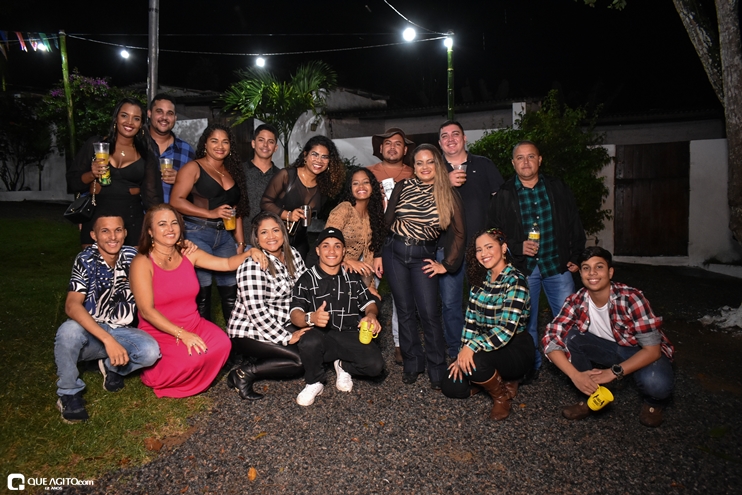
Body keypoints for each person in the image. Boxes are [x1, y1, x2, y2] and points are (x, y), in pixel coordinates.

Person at [130, 204, 266, 398]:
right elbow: (146, 311)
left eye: (174, 223)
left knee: (223, 344)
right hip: (161, 330)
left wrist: (249, 253)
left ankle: (195, 374)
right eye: (162, 224)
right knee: (194, 358)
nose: (170, 228)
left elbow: (226, 263)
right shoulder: (142, 262)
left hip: (193, 323)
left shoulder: (188, 252)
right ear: (150, 231)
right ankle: (158, 375)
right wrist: (182, 335)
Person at [486, 140, 586, 383]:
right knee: (524, 324)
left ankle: (572, 369)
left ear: (539, 160)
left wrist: (576, 256)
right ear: (513, 163)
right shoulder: (504, 194)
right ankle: (530, 367)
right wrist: (517, 246)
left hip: (557, 265)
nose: (526, 162)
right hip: (524, 269)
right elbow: (493, 233)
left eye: (531, 156)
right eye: (520, 158)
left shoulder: (557, 187)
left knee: (568, 321)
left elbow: (574, 221)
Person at [543, 246, 675, 427]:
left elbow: (652, 350)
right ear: (580, 273)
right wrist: (575, 376)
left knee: (657, 383)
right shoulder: (576, 301)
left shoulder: (631, 298)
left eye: (599, 267)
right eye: (586, 268)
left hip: (638, 351)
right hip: (607, 349)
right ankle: (592, 395)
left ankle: (653, 403)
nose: (592, 273)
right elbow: (551, 338)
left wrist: (612, 373)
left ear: (610, 272)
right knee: (569, 337)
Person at [374, 144, 465, 390]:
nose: (425, 167)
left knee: (429, 313)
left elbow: (459, 232)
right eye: (419, 162)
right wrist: (378, 253)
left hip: (423, 256)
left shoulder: (448, 194)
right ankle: (412, 363)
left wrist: (447, 265)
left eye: (430, 161)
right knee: (404, 310)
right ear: (413, 167)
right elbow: (386, 222)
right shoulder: (403, 186)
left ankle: (437, 368)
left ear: (438, 164)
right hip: (394, 252)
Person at [54, 215, 161, 423]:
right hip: (91, 331)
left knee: (150, 352)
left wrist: (186, 245)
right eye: (105, 231)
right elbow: (71, 305)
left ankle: (111, 366)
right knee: (68, 332)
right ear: (93, 235)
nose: (113, 236)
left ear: (125, 233)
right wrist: (108, 340)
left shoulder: (133, 256)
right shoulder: (85, 259)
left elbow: (166, 252)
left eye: (118, 230)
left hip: (121, 329)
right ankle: (69, 393)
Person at [442, 228, 534, 421]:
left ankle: (502, 397)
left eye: (489, 247)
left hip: (515, 347)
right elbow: (470, 324)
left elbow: (506, 329)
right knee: (451, 386)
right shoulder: (480, 280)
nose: (484, 253)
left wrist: (471, 347)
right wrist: (461, 354)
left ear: (504, 248)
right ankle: (489, 379)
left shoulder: (515, 280)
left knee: (476, 362)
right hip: (487, 346)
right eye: (479, 250)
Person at [290, 228, 384, 406]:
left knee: (375, 366)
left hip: (349, 333)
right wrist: (311, 318)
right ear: (318, 250)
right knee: (308, 341)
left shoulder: (351, 277)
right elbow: (295, 313)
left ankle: (343, 365)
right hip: (321, 336)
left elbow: (369, 303)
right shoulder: (306, 279)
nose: (331, 251)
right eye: (326, 246)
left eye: (337, 246)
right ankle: (314, 382)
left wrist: (371, 315)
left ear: (344, 251)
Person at [170, 124, 250, 323]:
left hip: (225, 236)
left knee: (231, 290)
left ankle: (234, 338)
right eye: (214, 141)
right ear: (205, 144)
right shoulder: (193, 167)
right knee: (202, 292)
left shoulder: (232, 171)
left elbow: (236, 211)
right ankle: (203, 337)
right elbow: (176, 201)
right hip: (197, 232)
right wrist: (210, 213)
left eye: (225, 142)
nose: (220, 146)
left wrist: (240, 242)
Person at [438, 121, 504, 358]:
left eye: (455, 134)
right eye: (445, 136)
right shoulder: (434, 169)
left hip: (482, 249)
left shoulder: (483, 164)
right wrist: (444, 182)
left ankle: (485, 350)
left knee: (486, 303)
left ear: (465, 138)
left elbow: (501, 199)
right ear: (439, 143)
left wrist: (498, 235)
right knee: (450, 304)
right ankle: (457, 352)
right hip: (447, 248)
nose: (451, 139)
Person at [226, 211, 308, 400]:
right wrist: (287, 337)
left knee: (311, 347)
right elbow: (257, 313)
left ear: (283, 232)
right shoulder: (252, 265)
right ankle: (243, 373)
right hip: (248, 330)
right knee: (299, 361)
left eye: (275, 230)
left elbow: (306, 287)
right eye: (264, 232)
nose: (271, 236)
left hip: (281, 321)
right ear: (256, 238)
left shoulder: (292, 254)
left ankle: (265, 356)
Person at [67, 98, 162, 246]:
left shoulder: (146, 154)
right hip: (97, 218)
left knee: (131, 262)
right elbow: (73, 182)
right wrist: (92, 174)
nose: (129, 122)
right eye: (124, 115)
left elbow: (152, 197)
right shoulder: (96, 145)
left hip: (131, 220)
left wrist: (159, 225)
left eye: (136, 118)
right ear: (116, 118)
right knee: (95, 261)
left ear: (141, 124)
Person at [367, 127, 416, 365]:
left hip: (402, 241)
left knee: (402, 296)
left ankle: (400, 343)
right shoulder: (368, 173)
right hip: (371, 241)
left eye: (398, 143)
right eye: (388, 143)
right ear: (381, 148)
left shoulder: (415, 173)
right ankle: (362, 341)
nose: (392, 147)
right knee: (365, 291)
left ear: (405, 150)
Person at [261, 135, 346, 260]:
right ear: (305, 155)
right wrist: (288, 215)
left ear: (329, 161)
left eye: (324, 157)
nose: (319, 160)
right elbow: (265, 203)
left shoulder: (324, 187)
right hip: (275, 239)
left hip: (300, 241)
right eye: (314, 154)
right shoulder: (287, 175)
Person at [323, 167, 385, 296]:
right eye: (355, 183)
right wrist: (347, 260)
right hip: (332, 271)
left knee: (373, 301)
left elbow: (369, 254)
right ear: (350, 188)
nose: (361, 186)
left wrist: (370, 286)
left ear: (373, 186)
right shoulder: (344, 209)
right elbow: (327, 243)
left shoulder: (373, 215)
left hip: (353, 275)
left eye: (366, 182)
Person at [146, 93, 196, 203]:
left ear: (175, 118)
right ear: (149, 113)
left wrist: (181, 180)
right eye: (159, 112)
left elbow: (199, 192)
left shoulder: (186, 151)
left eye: (170, 113)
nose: (164, 117)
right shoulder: (138, 145)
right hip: (140, 213)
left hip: (174, 213)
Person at [241, 124, 281, 236]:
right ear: (253, 143)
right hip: (244, 238)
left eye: (270, 142)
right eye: (261, 140)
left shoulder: (281, 176)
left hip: (271, 239)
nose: (265, 145)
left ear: (275, 148)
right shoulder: (240, 171)